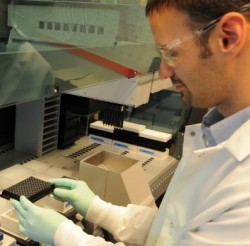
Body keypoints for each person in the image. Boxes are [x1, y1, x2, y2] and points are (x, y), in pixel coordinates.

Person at [11, 1, 250, 245]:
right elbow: (172, 231)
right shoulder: (218, 133)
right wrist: (100, 210)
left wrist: (65, 236)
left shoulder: (245, 190)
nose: (165, 71)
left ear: (228, 37)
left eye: (171, 53)